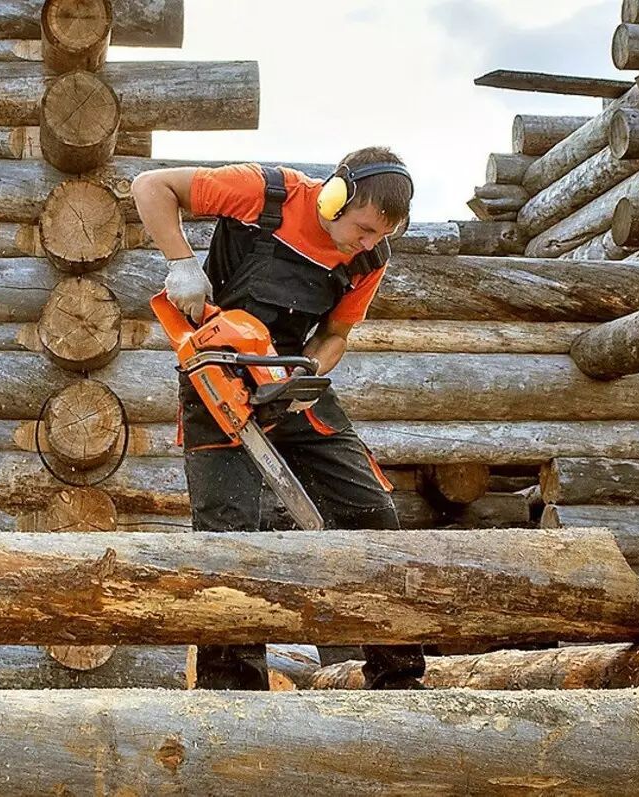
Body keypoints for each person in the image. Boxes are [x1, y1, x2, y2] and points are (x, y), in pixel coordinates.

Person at [131, 147, 425, 690]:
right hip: (216, 371)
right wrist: (181, 262)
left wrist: (304, 378)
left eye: (377, 235)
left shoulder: (368, 258)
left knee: (372, 509)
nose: (364, 243)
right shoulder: (267, 194)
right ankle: (231, 692)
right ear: (337, 196)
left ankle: (398, 676)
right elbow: (150, 186)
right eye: (360, 228)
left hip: (290, 376)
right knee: (227, 535)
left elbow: (335, 335)